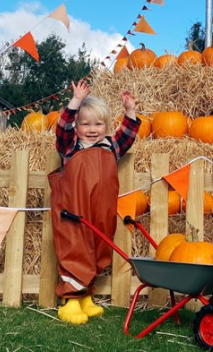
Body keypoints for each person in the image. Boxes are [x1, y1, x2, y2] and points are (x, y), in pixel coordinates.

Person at [48, 79, 140, 325]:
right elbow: (62, 128)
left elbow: (128, 135)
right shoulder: (70, 148)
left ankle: (86, 296)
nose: (92, 129)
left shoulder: (111, 146)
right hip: (73, 211)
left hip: (101, 211)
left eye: (98, 124)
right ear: (77, 126)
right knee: (75, 249)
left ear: (106, 126)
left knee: (98, 250)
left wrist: (130, 110)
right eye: (85, 124)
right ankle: (70, 302)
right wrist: (76, 101)